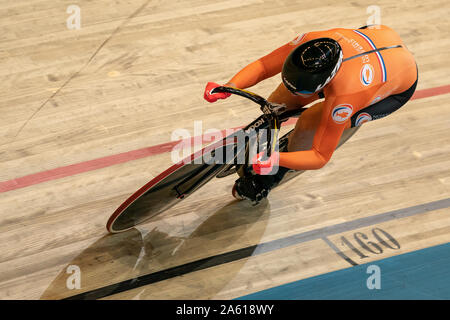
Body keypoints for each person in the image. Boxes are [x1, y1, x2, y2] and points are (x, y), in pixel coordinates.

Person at [204, 25, 418, 203]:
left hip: (390, 88)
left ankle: (269, 179)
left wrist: (276, 160)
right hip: (374, 40)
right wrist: (230, 86)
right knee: (280, 101)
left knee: (309, 122)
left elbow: (320, 156)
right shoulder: (312, 41)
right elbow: (263, 66)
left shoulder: (347, 96)